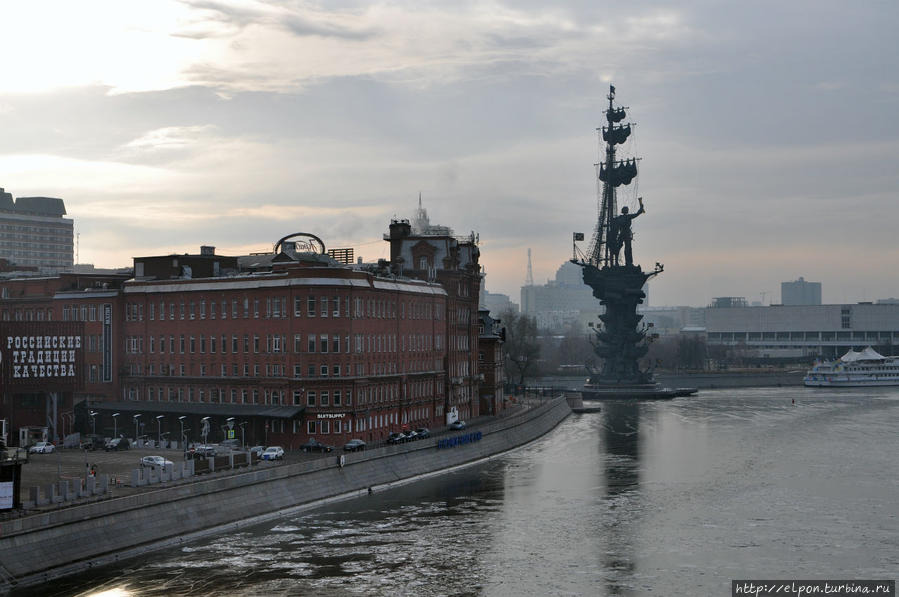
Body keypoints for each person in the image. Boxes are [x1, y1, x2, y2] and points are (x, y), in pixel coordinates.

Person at [611, 197, 644, 266]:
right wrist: (641, 207)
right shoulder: (627, 217)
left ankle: (623, 262)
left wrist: (641, 207)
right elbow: (637, 213)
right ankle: (627, 262)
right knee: (626, 248)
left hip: (623, 233)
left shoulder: (620, 218)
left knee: (622, 248)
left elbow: (637, 213)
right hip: (625, 233)